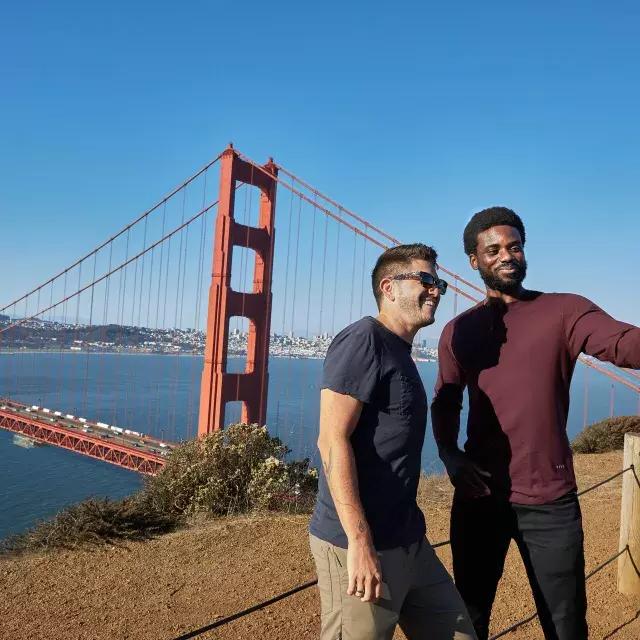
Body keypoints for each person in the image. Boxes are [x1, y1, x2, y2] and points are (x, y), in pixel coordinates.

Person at [431, 206, 640, 640]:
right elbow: (446, 401)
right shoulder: (457, 331)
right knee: (468, 621)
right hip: (479, 497)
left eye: (514, 246)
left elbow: (624, 345)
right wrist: (450, 456)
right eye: (493, 250)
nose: (507, 255)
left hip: (550, 501)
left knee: (565, 625)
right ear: (474, 260)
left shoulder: (565, 311)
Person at [309, 243, 477, 640]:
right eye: (427, 280)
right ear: (389, 286)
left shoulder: (399, 350)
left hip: (407, 539)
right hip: (360, 543)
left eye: (440, 283)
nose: (437, 290)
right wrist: (360, 543)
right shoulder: (364, 339)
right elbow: (331, 441)